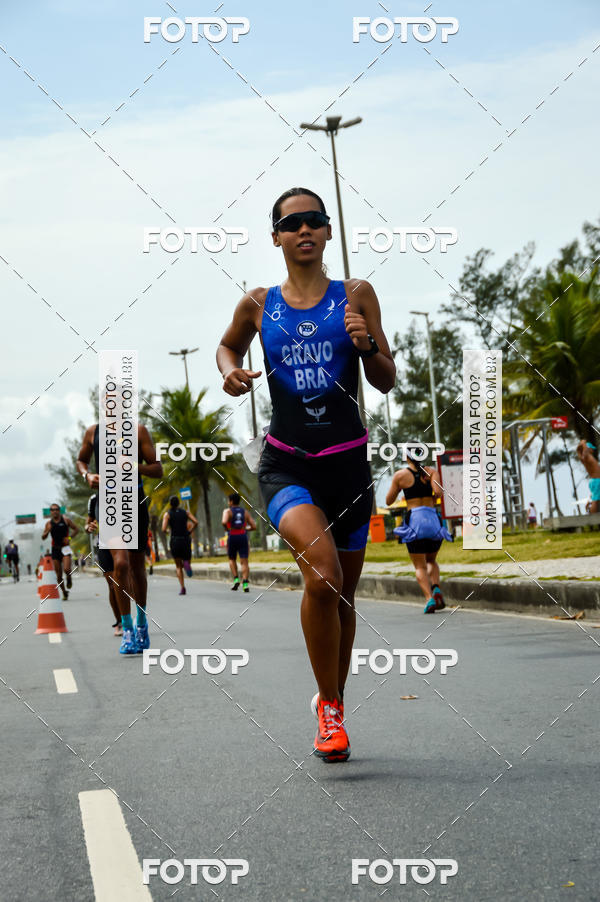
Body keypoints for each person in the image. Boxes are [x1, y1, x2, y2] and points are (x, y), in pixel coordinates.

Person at [217, 187, 395, 762]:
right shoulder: (258, 304)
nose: (305, 230)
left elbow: (386, 379)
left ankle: (333, 704)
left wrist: (367, 346)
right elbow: (226, 347)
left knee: (342, 597)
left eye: (314, 220)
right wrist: (230, 372)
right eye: (292, 223)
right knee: (321, 577)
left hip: (349, 464)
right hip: (285, 462)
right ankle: (328, 705)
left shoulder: (357, 294)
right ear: (275, 237)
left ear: (327, 232)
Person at [77, 422, 163, 654]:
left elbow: (158, 469)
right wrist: (87, 475)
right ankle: (126, 629)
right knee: (120, 564)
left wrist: (134, 466)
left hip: (135, 503)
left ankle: (141, 622)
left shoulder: (138, 430)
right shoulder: (92, 433)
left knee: (137, 568)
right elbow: (81, 460)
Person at [386, 451, 452, 614]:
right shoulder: (431, 472)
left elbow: (389, 500)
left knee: (419, 566)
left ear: (406, 457)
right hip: (432, 521)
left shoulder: (400, 475)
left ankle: (429, 598)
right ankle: (436, 588)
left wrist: (400, 488)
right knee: (431, 561)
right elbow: (438, 493)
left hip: (415, 522)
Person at [86, 493, 121, 636]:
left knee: (128, 583)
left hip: (125, 542)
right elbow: (88, 523)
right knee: (112, 586)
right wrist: (89, 527)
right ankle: (120, 622)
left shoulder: (123, 491)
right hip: (105, 545)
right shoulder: (94, 499)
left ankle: (139, 618)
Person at [161, 496, 198, 595]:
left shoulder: (167, 514)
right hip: (185, 539)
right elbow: (196, 522)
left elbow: (163, 529)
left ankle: (182, 588)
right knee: (186, 559)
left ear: (170, 504)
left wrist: (169, 532)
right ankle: (186, 564)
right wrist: (190, 531)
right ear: (178, 503)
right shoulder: (186, 512)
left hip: (175, 540)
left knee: (178, 566)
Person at [41, 506, 79, 600]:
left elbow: (76, 529)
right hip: (55, 549)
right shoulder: (49, 524)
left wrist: (69, 538)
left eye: (56, 510)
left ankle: (69, 578)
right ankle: (64, 592)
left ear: (59, 511)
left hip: (65, 548)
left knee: (66, 569)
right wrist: (47, 531)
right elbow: (43, 537)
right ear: (50, 512)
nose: (55, 511)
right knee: (58, 575)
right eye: (53, 510)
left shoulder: (66, 520)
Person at [222, 492, 256, 591]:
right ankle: (245, 583)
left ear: (231, 501)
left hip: (232, 536)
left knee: (232, 559)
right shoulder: (245, 512)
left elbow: (224, 522)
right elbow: (254, 526)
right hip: (242, 536)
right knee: (244, 561)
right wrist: (245, 529)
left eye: (228, 500)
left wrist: (227, 529)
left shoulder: (227, 511)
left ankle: (236, 579)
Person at [576, 440, 600, 514]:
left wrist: (578, 449)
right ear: (588, 449)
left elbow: (580, 453)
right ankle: (593, 515)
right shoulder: (587, 457)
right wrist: (583, 444)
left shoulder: (585, 458)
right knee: (595, 500)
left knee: (595, 498)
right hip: (596, 481)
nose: (593, 450)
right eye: (591, 448)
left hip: (595, 480)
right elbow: (584, 452)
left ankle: (589, 507)